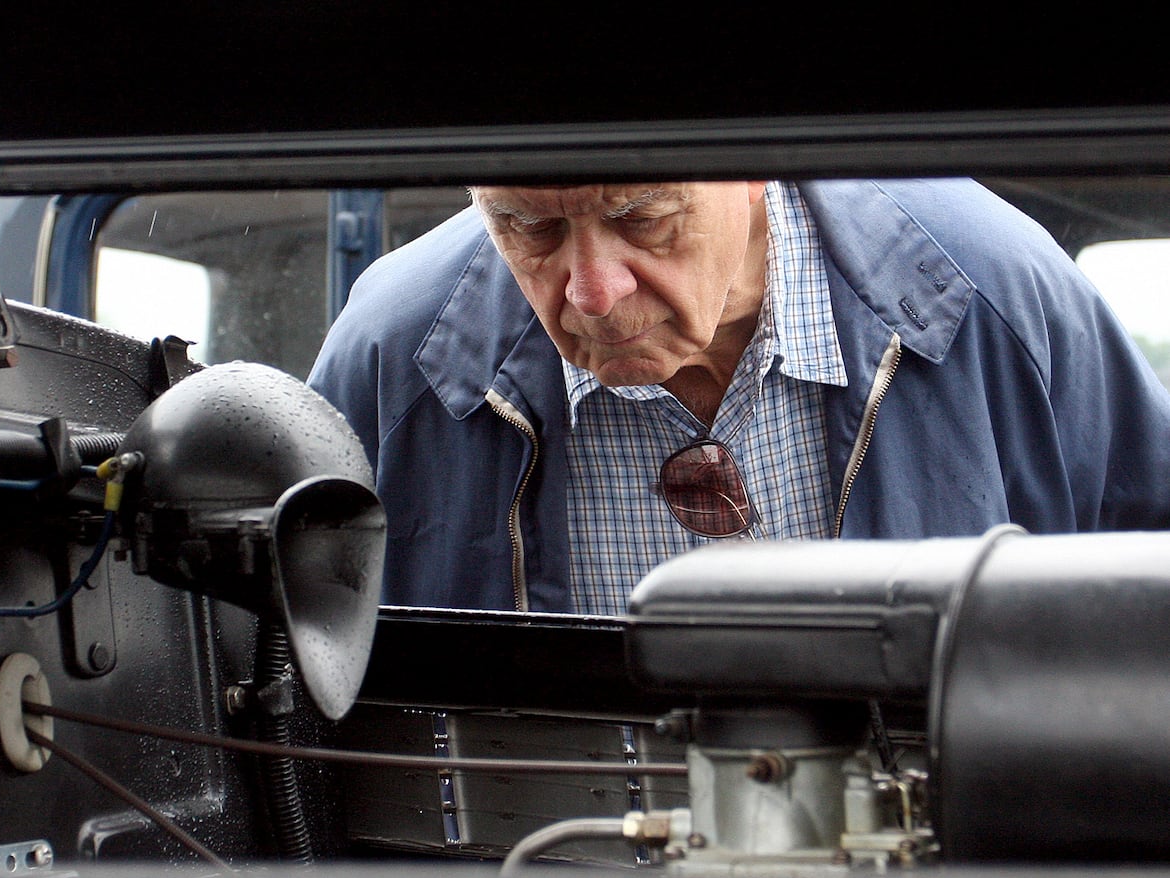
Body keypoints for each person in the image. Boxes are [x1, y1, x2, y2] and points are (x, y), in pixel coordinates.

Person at [306, 179, 1170, 615]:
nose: (593, 293)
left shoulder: (990, 290)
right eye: (528, 228)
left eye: (641, 216)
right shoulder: (395, 351)